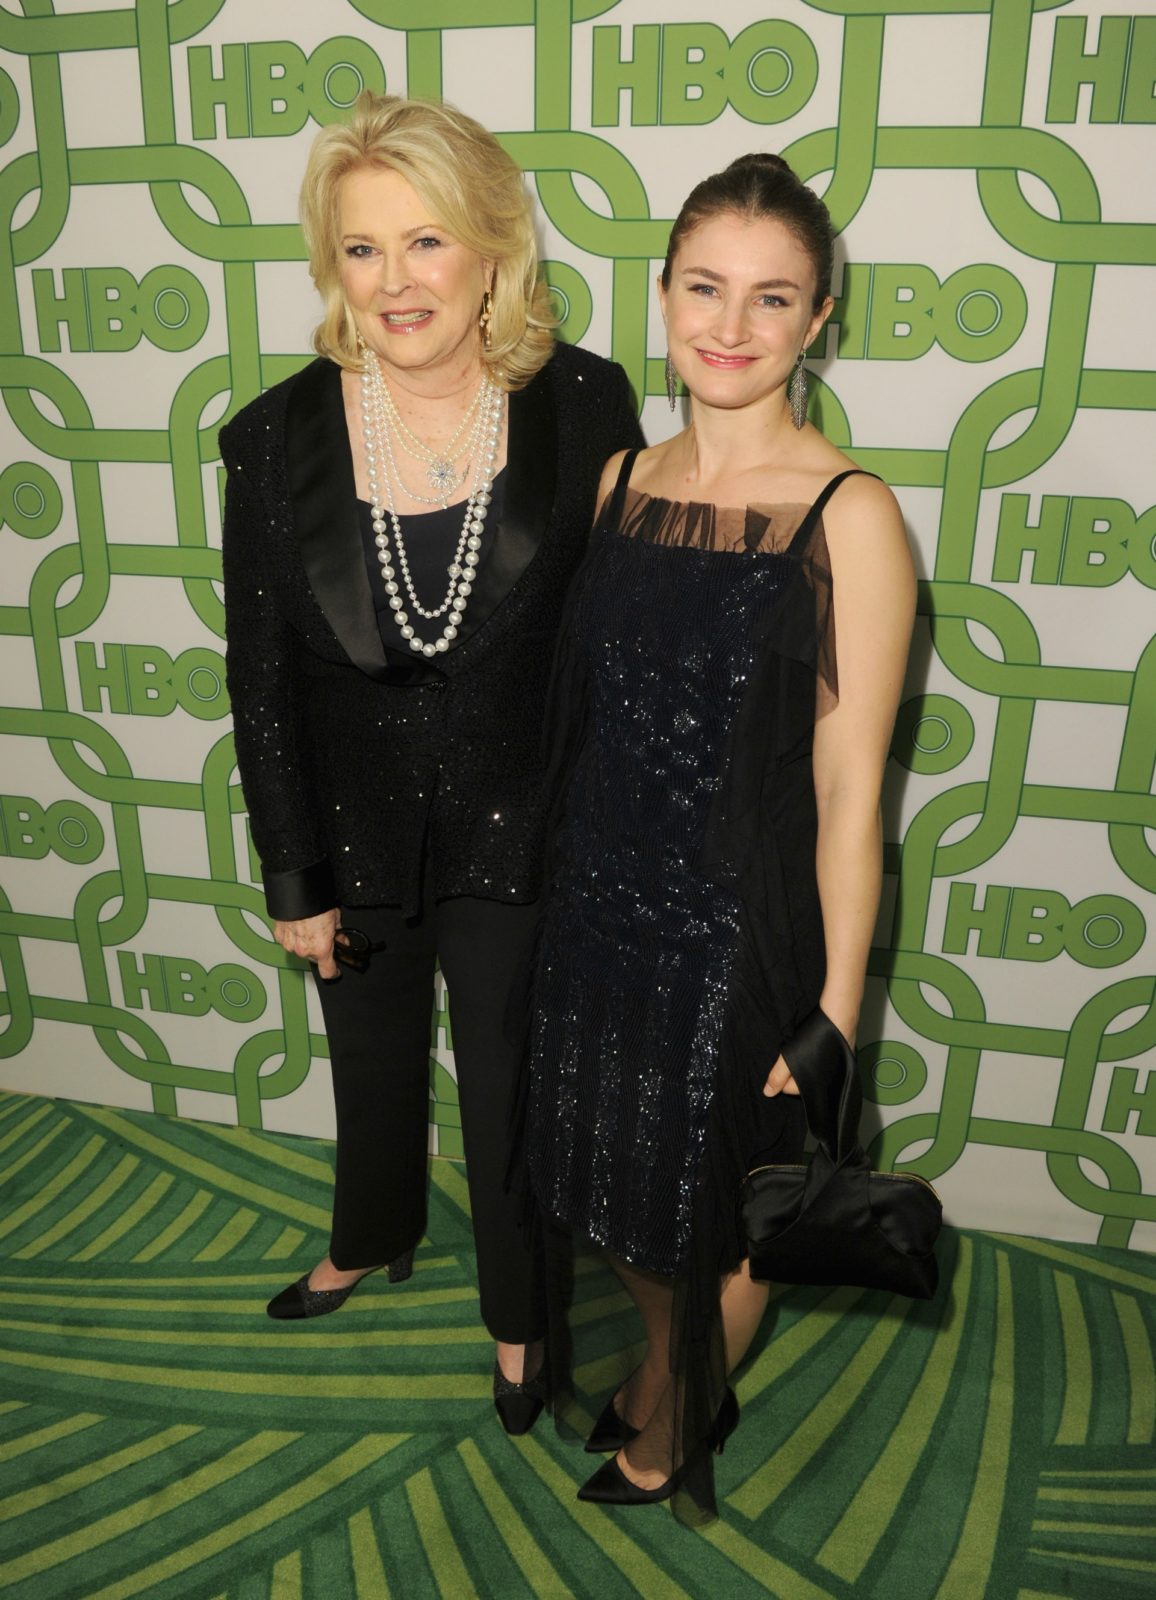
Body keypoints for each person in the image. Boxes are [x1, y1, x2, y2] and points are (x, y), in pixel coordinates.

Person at [219, 91, 642, 1435]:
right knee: (371, 1055)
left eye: (426, 242)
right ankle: (372, 1230)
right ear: (329, 266)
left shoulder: (582, 405)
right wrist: (294, 867)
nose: (395, 281)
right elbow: (263, 673)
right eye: (361, 249)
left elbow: (618, 642)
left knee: (513, 1088)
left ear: (490, 248)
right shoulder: (277, 435)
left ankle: (524, 1322)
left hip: (528, 824)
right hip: (350, 821)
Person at [521, 153, 915, 1515]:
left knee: (713, 1218)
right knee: (606, 1184)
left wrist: (834, 1015)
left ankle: (673, 1424)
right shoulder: (621, 479)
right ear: (666, 293)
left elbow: (853, 789)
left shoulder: (847, 516)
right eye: (705, 287)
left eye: (772, 297)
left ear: (819, 320)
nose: (730, 326)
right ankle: (666, 1364)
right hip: (594, 913)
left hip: (733, 939)